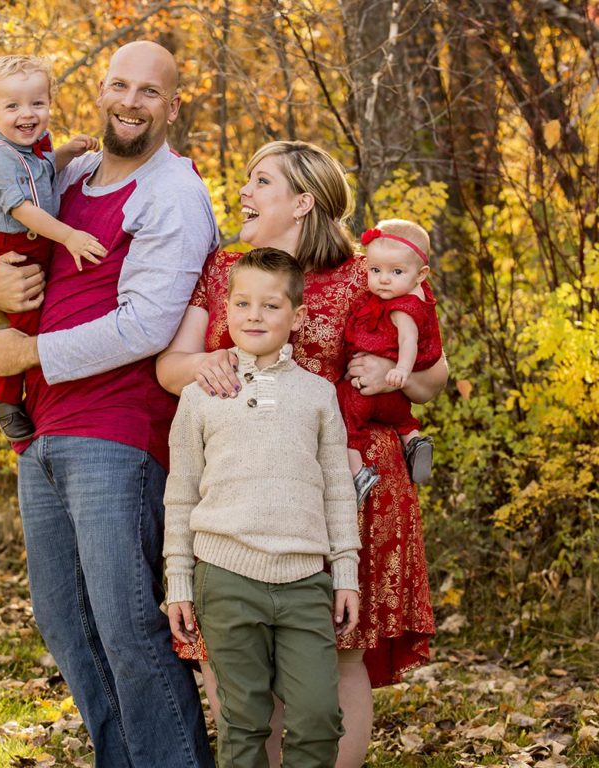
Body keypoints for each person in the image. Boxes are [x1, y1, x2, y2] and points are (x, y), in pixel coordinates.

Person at [155, 140, 447, 768]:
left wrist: (389, 371)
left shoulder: (364, 275)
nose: (245, 191)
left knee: (336, 652)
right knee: (236, 654)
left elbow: (429, 376)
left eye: (261, 181)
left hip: (347, 478)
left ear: (303, 201)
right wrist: (206, 363)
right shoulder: (225, 269)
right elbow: (170, 368)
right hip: (238, 483)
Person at [0, 40, 219, 768]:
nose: (130, 101)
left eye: (150, 91)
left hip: (117, 428)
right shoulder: (71, 173)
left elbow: (147, 324)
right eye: (119, 85)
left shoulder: (173, 193)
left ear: (172, 107)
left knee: (127, 627)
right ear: (102, 90)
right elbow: (11, 259)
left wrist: (33, 354)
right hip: (43, 430)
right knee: (66, 625)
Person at [164, 248, 361, 767]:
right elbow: (181, 493)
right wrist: (179, 581)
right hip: (225, 578)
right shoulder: (200, 396)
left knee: (319, 717)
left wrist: (345, 575)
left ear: (297, 317)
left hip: (304, 581)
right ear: (225, 308)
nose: (254, 315)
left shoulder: (318, 395)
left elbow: (338, 489)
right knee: (243, 721)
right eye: (243, 303)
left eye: (271, 306)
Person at [0, 54, 107, 440]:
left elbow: (45, 172)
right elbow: (24, 209)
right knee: (26, 324)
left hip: (37, 242)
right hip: (14, 249)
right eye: (12, 106)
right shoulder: (0, 158)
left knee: (48, 316)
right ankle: (7, 399)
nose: (26, 114)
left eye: (37, 103)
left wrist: (69, 151)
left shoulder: (35, 147)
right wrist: (69, 236)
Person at [342, 219, 442, 508]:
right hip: (395, 399)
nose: (384, 279)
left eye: (396, 272)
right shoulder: (404, 297)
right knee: (402, 418)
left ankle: (357, 472)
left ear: (421, 274)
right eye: (375, 270)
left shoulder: (403, 308)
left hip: (371, 390)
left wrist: (401, 371)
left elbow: (409, 342)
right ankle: (413, 439)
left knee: (347, 415)